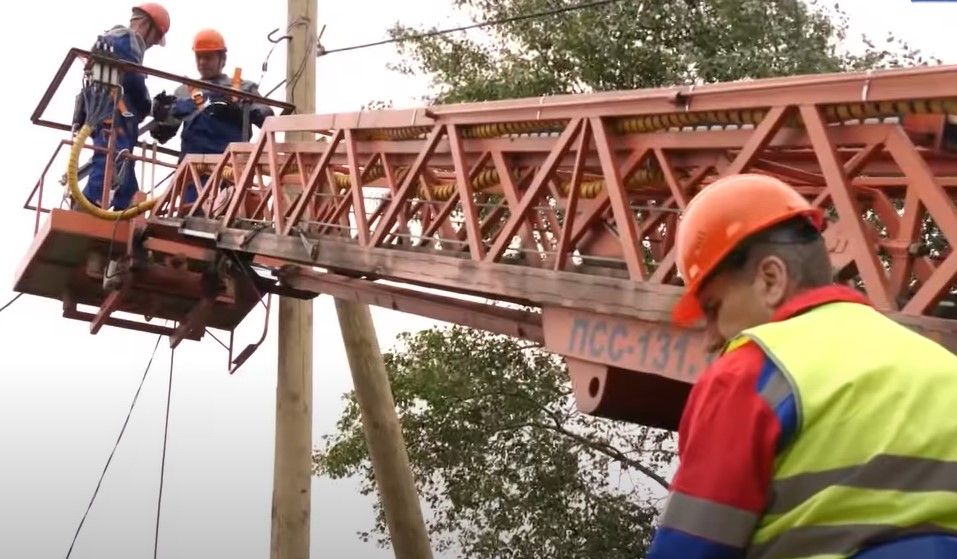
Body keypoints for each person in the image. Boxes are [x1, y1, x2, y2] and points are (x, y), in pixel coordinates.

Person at [646, 173, 957, 558]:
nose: (711, 337)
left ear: (771, 279)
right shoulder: (940, 366)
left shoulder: (752, 373)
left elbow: (687, 550)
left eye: (714, 309)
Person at [150, 28, 274, 207]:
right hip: (193, 174)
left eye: (208, 57)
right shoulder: (185, 91)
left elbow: (266, 116)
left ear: (222, 59)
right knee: (191, 215)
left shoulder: (241, 88)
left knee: (226, 214)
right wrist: (161, 114)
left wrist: (248, 105)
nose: (202, 62)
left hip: (230, 173)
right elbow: (163, 134)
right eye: (199, 57)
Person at [78, 3, 170, 211]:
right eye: (156, 38)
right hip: (115, 113)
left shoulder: (112, 38)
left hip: (103, 112)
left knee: (122, 162)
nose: (154, 44)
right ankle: (90, 203)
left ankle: (126, 206)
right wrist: (150, 106)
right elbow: (133, 80)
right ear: (146, 25)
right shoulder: (130, 39)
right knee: (113, 156)